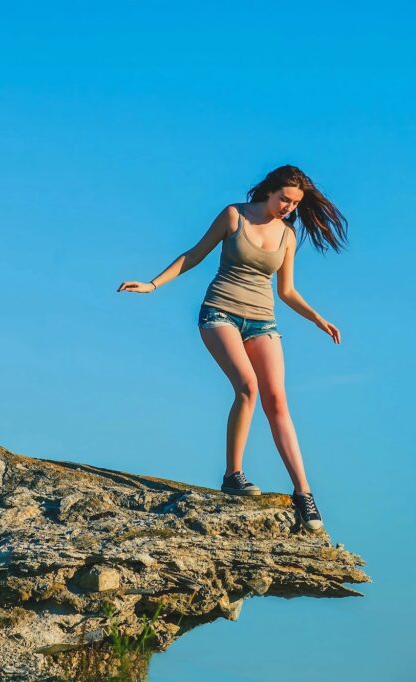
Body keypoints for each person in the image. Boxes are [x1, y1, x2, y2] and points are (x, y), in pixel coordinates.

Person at [116, 165, 348, 532]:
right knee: (247, 387)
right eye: (284, 199)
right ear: (269, 192)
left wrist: (317, 318)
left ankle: (304, 494)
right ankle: (233, 475)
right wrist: (153, 284)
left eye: (294, 203)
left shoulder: (287, 236)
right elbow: (194, 254)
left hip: (263, 322)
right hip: (219, 313)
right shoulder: (234, 215)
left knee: (277, 401)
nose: (288, 207)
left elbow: (286, 291)